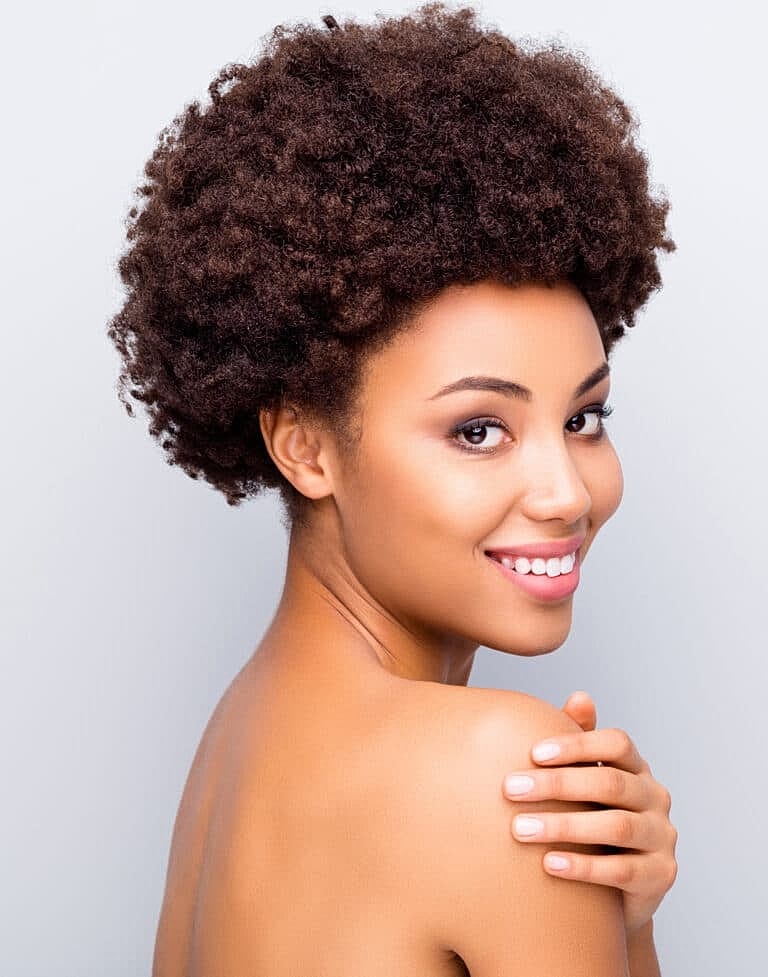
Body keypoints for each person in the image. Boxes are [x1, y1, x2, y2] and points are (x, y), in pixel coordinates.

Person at [107, 3, 678, 973]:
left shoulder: (239, 743)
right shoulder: (503, 775)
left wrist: (628, 914)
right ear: (305, 445)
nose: (565, 492)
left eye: (584, 418)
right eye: (479, 429)